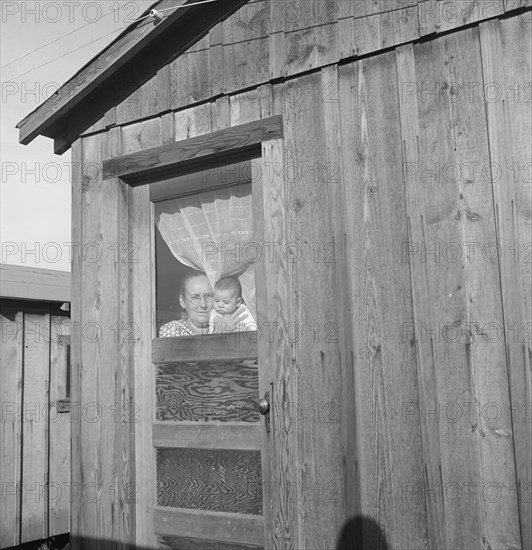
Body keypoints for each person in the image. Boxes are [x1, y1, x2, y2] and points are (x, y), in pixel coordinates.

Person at [159, 271, 248, 337]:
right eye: (195, 297)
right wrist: (218, 335)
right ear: (182, 301)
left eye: (208, 296)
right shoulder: (172, 329)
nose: (203, 305)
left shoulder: (233, 325)